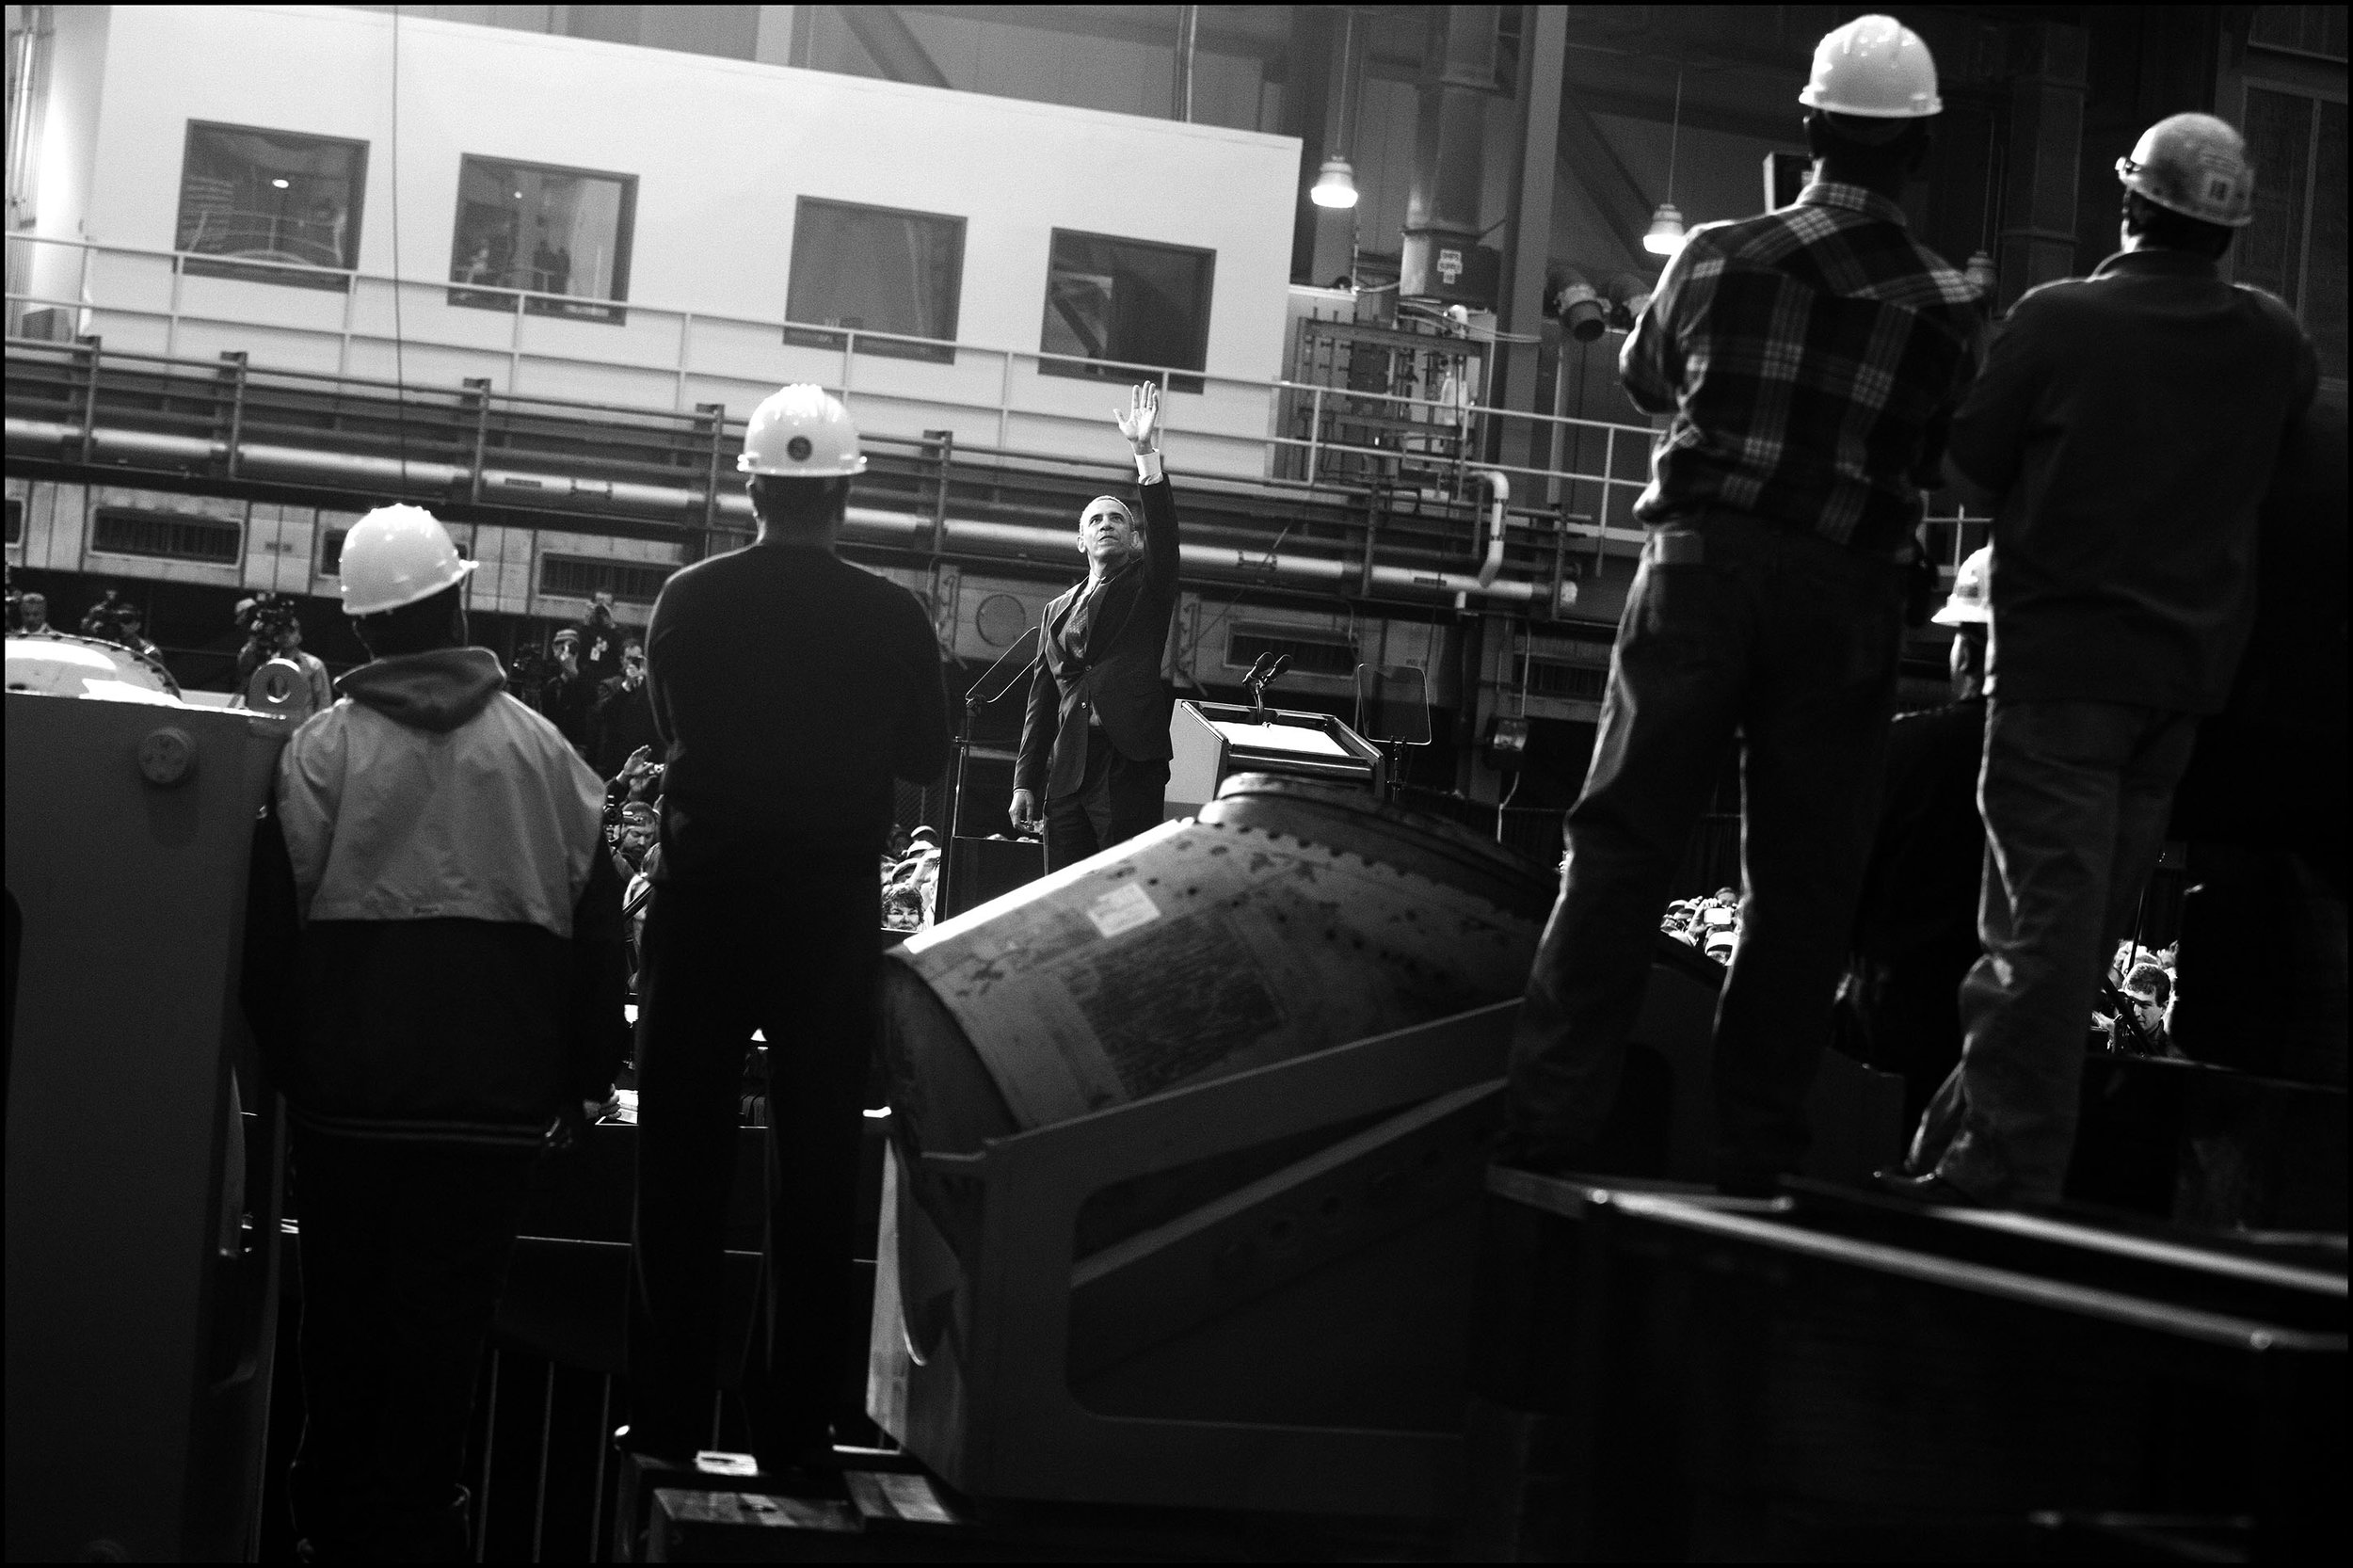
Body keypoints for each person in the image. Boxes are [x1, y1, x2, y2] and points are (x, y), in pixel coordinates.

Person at [1497, 15, 1981, 1193]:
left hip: (1701, 572)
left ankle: (1549, 1126)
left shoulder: (1716, 252)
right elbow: (1945, 456)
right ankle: (1754, 1158)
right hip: (1850, 599)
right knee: (1803, 887)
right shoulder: (1950, 304)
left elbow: (1646, 376)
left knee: (1619, 847)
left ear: (1806, 127)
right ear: (1919, 152)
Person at [1887, 113, 2320, 1208]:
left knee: (2034, 937)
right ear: (2229, 231)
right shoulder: (2273, 340)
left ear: (2129, 205)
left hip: (2059, 675)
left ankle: (1997, 1181)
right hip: (2179, 692)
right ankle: (1957, 1144)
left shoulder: (2059, 321)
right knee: (2069, 948)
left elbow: (1969, 471)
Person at [246, 503, 629, 1561]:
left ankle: (324, 1530)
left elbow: (268, 943)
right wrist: (583, 1079)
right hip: (492, 1113)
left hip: (347, 1112)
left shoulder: (317, 752)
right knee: (443, 1349)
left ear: (361, 632)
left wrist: (295, 1068)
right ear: (460, 602)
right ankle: (424, 1532)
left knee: (341, 1340)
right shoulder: (546, 754)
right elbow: (603, 938)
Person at [628, 385, 949, 1480]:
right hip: (825, 913)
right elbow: (925, 756)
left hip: (704, 900)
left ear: (751, 487)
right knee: (813, 1174)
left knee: (678, 1160)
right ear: (847, 495)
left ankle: (669, 1415)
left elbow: (668, 731)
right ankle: (793, 1434)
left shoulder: (688, 598)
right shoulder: (892, 615)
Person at [1832, 548, 1993, 1122]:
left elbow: (1836, 889)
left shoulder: (1901, 751)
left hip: (1888, 1034)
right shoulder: (2061, 779)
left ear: (1967, 654)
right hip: (1997, 1054)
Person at [1010, 382, 1181, 870]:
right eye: (1096, 521)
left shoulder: (1148, 587)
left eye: (1118, 519)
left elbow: (1166, 540)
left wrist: (1144, 453)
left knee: (1120, 889)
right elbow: (1041, 700)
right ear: (1080, 541)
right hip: (1067, 772)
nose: (1107, 524)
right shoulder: (1056, 610)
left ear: (1131, 537)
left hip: (1126, 763)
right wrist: (1024, 779)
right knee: (1061, 892)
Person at [591, 634, 662, 779]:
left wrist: (645, 681)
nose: (633, 663)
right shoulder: (609, 685)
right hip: (613, 759)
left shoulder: (650, 688)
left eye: (638, 659)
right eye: (629, 659)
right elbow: (603, 712)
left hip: (641, 757)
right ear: (622, 660)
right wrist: (626, 686)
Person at [537, 626, 595, 754]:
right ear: (554, 648)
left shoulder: (586, 672)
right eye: (561, 647)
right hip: (552, 741)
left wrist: (574, 673)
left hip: (578, 743)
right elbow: (546, 707)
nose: (566, 651)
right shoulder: (549, 671)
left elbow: (591, 699)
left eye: (571, 647)